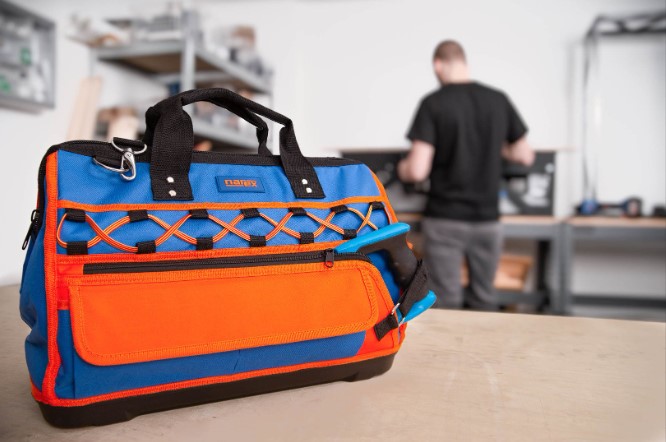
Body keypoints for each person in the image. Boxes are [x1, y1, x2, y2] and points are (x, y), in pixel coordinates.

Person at [398, 40, 535, 311]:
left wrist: (402, 168)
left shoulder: (433, 103)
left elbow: (416, 170)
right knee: (484, 299)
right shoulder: (498, 99)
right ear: (464, 62)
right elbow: (525, 155)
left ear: (438, 65)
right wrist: (493, 145)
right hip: (488, 220)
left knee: (447, 302)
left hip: (445, 220)